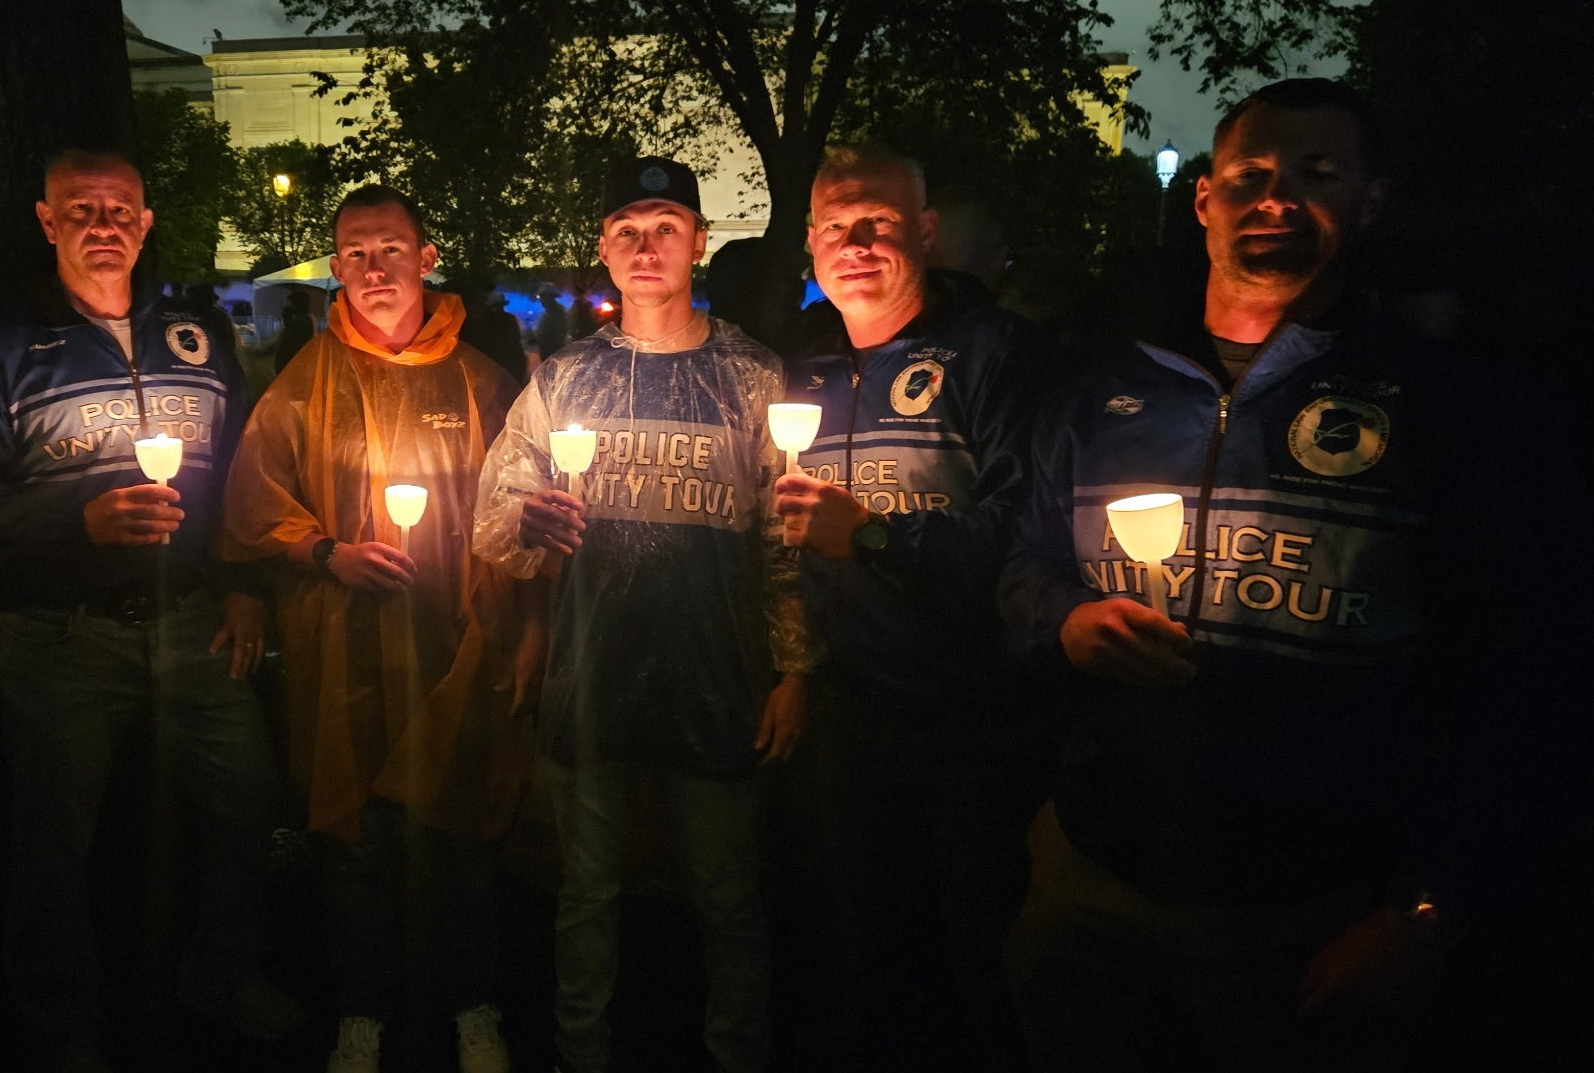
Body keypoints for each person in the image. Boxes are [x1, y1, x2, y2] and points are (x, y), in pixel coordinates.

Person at [999, 79, 1452, 1071]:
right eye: (1250, 175)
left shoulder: (1437, 403)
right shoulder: (1104, 388)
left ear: (1369, 200)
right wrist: (1065, 620)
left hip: (1310, 911)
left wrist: (1424, 904)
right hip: (1095, 874)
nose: (1276, 198)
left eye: (1317, 174)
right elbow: (1025, 565)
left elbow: (1515, 664)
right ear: (1204, 198)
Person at [0, 149, 293, 1071]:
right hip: (60, 634)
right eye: (81, 208)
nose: (103, 224)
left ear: (146, 221)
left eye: (120, 208)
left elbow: (244, 474)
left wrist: (244, 584)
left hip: (193, 621)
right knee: (54, 842)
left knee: (250, 802)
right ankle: (60, 1021)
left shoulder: (194, 335)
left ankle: (221, 972)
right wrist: (73, 519)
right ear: (47, 222)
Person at [473, 156, 808, 1073]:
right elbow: (494, 515)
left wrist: (792, 669)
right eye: (627, 229)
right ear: (604, 249)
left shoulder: (753, 376)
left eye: (666, 226)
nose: (646, 245)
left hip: (716, 675)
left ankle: (738, 1052)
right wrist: (526, 521)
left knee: (728, 898)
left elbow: (784, 538)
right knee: (585, 895)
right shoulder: (565, 379)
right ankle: (581, 1052)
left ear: (698, 241)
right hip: (592, 673)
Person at [217, 184, 531, 1073]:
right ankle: (362, 1010)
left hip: (455, 641)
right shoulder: (307, 379)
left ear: (426, 257)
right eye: (354, 253)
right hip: (344, 644)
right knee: (354, 834)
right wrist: (327, 552)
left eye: (390, 247)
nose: (374, 268)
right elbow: (253, 500)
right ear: (335, 267)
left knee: (456, 824)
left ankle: (474, 1005)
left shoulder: (479, 381)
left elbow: (523, 506)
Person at [770, 146, 1051, 1071]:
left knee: (975, 963)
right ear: (811, 242)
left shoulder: (995, 353)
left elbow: (1025, 539)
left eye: (879, 223)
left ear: (925, 233)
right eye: (835, 226)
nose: (855, 243)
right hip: (848, 713)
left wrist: (875, 536)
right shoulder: (803, 369)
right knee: (866, 955)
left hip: (971, 718)